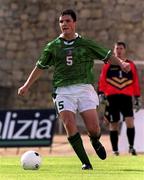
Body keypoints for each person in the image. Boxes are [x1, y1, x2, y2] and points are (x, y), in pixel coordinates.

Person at [18, 10, 130, 170]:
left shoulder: (86, 44)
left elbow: (107, 55)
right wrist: (26, 85)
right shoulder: (53, 46)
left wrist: (121, 63)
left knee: (93, 128)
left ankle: (95, 140)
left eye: (67, 21)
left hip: (84, 88)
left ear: (74, 23)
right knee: (69, 123)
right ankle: (86, 163)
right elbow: (40, 67)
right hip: (62, 91)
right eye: (61, 22)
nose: (64, 24)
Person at [98, 41, 141, 156]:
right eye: (117, 48)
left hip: (126, 97)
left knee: (130, 122)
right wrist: (101, 93)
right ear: (114, 50)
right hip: (112, 98)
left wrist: (137, 97)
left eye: (121, 48)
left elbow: (135, 81)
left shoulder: (130, 65)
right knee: (114, 123)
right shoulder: (108, 65)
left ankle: (131, 147)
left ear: (125, 50)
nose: (119, 51)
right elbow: (102, 80)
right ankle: (115, 150)